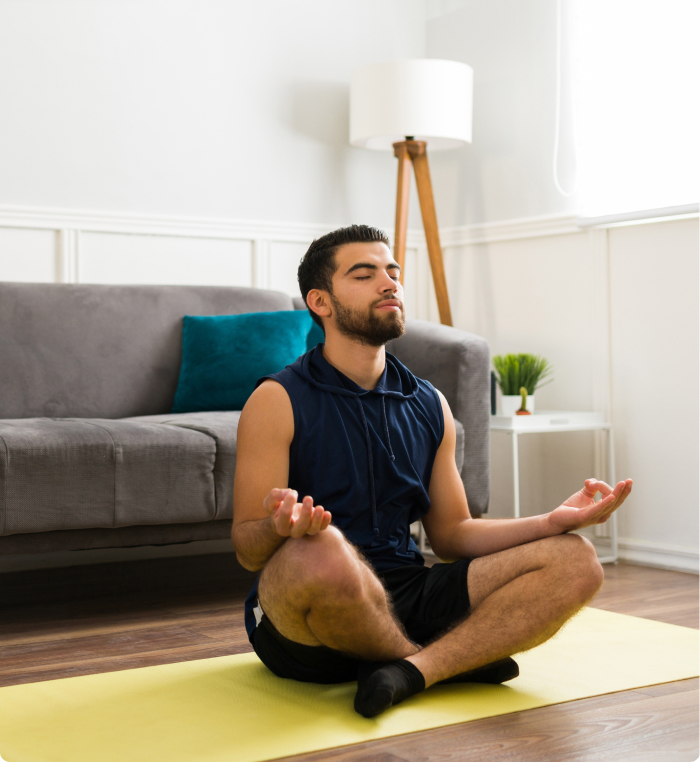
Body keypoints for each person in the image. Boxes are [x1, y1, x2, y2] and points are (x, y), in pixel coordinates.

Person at [231, 224, 633, 718]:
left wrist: (552, 523)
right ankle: (443, 661)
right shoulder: (276, 400)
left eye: (393, 272)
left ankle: (412, 673)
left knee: (578, 560)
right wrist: (278, 528)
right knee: (325, 550)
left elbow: (452, 536)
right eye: (364, 274)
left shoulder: (430, 403)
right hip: (308, 624)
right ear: (321, 302)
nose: (389, 283)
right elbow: (248, 550)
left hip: (406, 595)